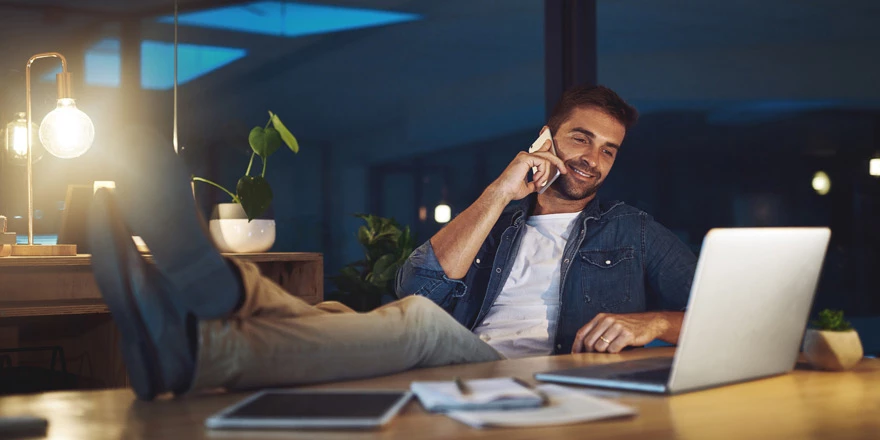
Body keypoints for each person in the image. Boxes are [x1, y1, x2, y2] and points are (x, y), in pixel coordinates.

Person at [88, 128, 501, 401]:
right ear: (543, 142)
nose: (571, 157)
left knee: (423, 323)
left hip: (518, 366)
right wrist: (501, 191)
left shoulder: (571, 230)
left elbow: (420, 303)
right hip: (478, 353)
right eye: (570, 136)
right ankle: (197, 335)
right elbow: (418, 283)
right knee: (329, 315)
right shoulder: (509, 212)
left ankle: (226, 293)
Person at [396, 85, 698, 358]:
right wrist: (500, 191)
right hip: (474, 372)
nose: (592, 160)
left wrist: (656, 323)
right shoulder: (490, 227)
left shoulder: (633, 230)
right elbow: (416, 293)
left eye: (607, 151)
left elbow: (720, 316)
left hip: (572, 380)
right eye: (581, 139)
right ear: (546, 140)